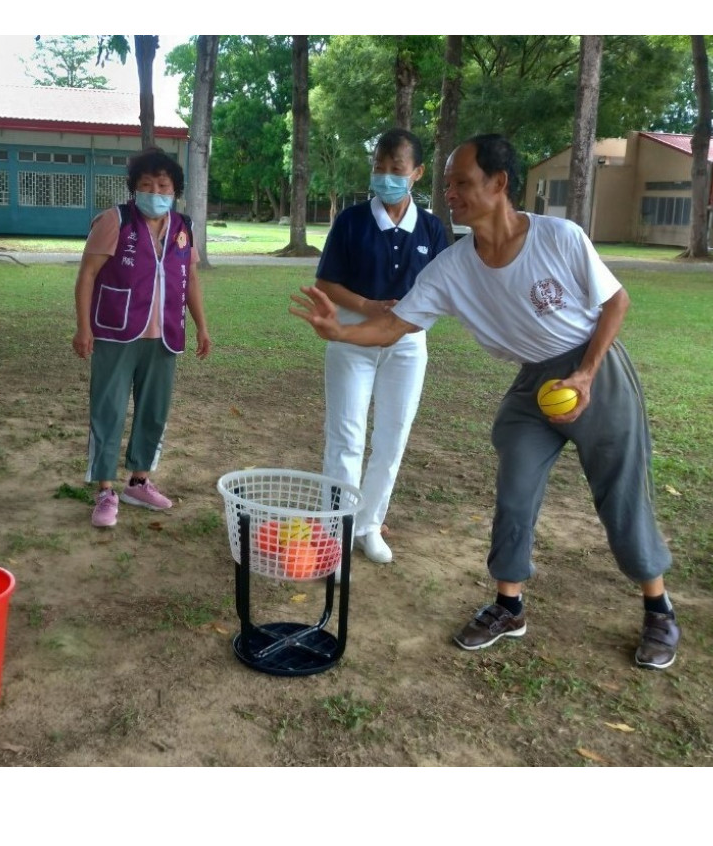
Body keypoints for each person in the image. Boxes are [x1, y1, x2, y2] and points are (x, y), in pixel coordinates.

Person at [290, 134, 679, 670]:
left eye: (462, 183)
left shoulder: (559, 237)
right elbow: (392, 327)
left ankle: (658, 607)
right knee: (515, 490)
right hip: (533, 383)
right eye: (447, 184)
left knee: (621, 492)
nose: (449, 193)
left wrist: (587, 375)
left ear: (498, 184)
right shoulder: (453, 268)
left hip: (594, 368)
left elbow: (616, 302)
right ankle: (508, 605)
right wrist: (339, 332)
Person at [315, 128, 448, 567]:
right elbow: (327, 283)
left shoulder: (431, 228)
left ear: (417, 173)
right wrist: (370, 307)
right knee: (347, 436)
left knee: (392, 437)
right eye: (380, 167)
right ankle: (336, 527)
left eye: (397, 169)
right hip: (352, 336)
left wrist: (403, 314)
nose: (387, 176)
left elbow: (443, 289)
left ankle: (369, 524)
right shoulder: (352, 221)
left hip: (408, 342)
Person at [73, 147, 211, 528]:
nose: (155, 191)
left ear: (174, 190)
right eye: (146, 184)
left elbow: (191, 280)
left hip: (164, 334)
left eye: (163, 185)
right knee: (109, 409)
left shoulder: (183, 228)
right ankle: (105, 490)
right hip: (116, 331)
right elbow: (86, 275)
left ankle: (139, 481)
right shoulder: (115, 220)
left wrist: (201, 325)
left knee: (154, 410)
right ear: (134, 188)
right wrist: (83, 327)